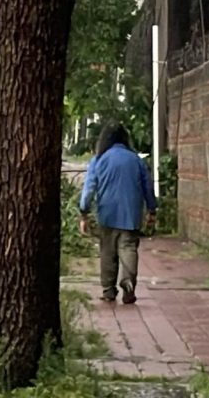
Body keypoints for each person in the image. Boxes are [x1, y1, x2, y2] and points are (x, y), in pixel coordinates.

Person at [78, 121, 156, 304]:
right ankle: (128, 283)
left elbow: (89, 188)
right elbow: (148, 187)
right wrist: (152, 210)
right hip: (131, 214)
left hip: (107, 213)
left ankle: (108, 290)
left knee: (107, 251)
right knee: (128, 248)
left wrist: (84, 211)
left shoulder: (99, 160)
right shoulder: (136, 160)